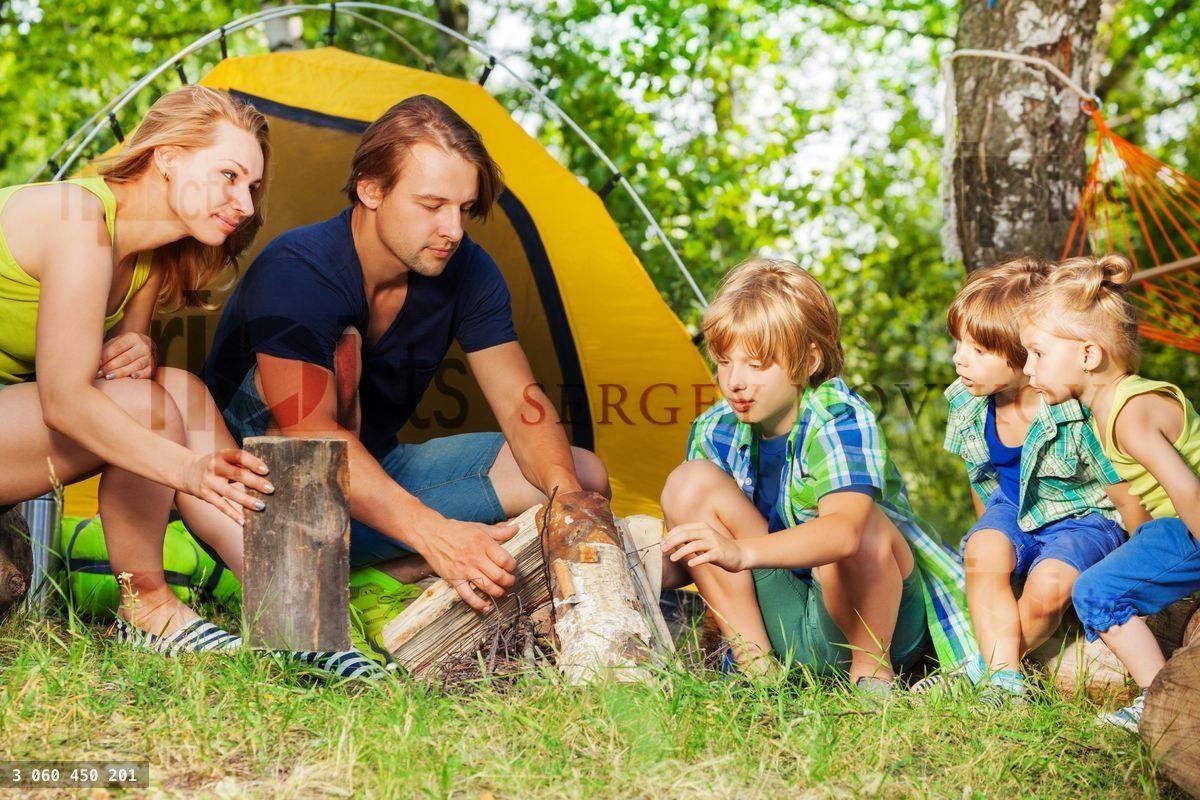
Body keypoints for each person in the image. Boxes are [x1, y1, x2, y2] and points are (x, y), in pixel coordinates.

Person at [202, 94, 608, 633]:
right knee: (343, 354)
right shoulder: (298, 269)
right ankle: (297, 572)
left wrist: (568, 504)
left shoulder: (468, 270)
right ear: (371, 189)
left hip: (371, 476)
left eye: (464, 209)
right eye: (432, 205)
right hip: (256, 498)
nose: (453, 229)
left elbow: (519, 402)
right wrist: (435, 532)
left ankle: (382, 578)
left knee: (579, 476)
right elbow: (310, 436)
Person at [0, 86, 274, 651]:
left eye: (250, 186)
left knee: (180, 390)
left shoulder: (150, 256)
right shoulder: (78, 219)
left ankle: (291, 600)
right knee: (146, 406)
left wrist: (136, 349)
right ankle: (147, 606)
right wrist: (187, 469)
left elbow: (119, 372)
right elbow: (66, 401)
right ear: (167, 157)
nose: (245, 205)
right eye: (228, 175)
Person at [659, 257, 976, 694]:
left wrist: (740, 552)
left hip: (875, 622)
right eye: (724, 362)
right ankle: (759, 673)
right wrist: (649, 560)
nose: (734, 382)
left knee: (861, 523)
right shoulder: (715, 429)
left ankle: (872, 679)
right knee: (688, 482)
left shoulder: (839, 417)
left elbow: (845, 534)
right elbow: (705, 557)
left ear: (808, 360)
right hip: (785, 620)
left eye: (756, 364)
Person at [941, 255, 1138, 706]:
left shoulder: (1075, 408)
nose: (959, 359)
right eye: (959, 343)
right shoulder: (967, 403)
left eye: (978, 350)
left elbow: (1121, 491)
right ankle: (1005, 683)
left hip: (1084, 518)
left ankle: (984, 670)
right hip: (1012, 508)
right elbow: (981, 479)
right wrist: (993, 539)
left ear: (1025, 352)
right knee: (983, 549)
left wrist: (1141, 552)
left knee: (1049, 586)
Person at [1020, 254, 1200, 732]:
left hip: (1192, 523)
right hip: (1175, 525)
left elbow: (1187, 490)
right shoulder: (1111, 405)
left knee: (1095, 591)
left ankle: (1159, 700)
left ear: (1088, 355)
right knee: (1126, 559)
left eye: (1038, 353)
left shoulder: (1129, 412)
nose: (1028, 368)